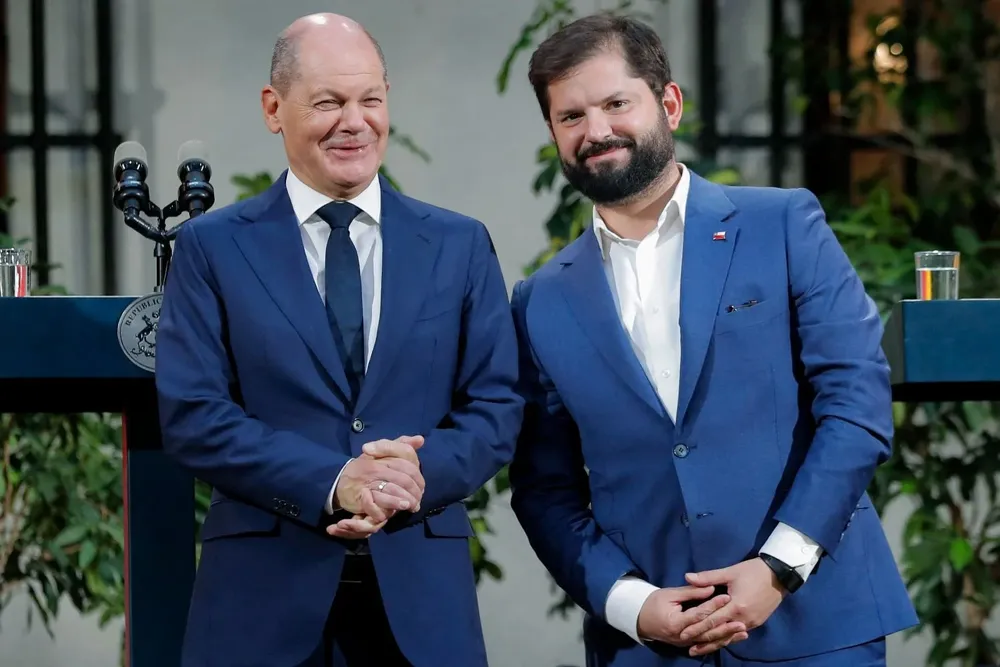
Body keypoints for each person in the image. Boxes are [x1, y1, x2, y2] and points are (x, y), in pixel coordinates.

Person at [508, 13, 918, 667]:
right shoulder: (540, 300)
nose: (597, 131)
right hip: (650, 645)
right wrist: (631, 602)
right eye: (571, 116)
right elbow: (543, 487)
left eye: (617, 103)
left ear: (668, 103)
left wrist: (779, 567)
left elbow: (857, 403)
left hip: (814, 625)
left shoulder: (782, 223)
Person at [155, 13, 521, 667]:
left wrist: (412, 476)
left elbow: (497, 409)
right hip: (260, 605)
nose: (354, 121)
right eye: (329, 102)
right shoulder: (212, 247)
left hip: (421, 607)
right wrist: (335, 480)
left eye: (370, 100)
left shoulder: (459, 244)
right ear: (275, 108)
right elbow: (194, 417)